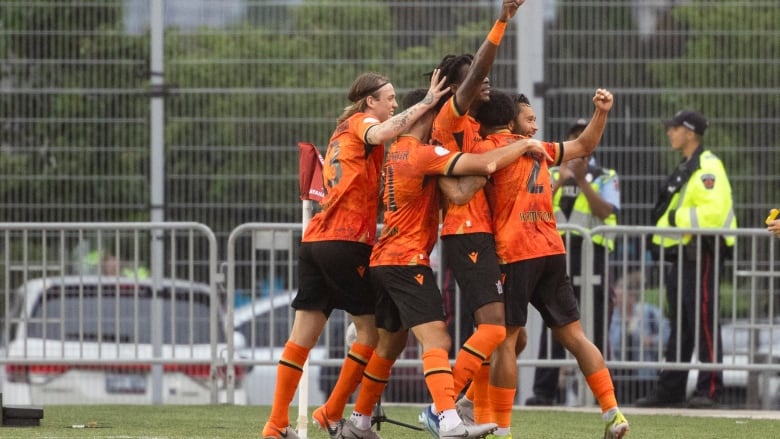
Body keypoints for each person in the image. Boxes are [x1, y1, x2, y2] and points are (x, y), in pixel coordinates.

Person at [338, 88, 549, 439]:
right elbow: (467, 183)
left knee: (389, 345)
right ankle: (446, 414)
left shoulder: (395, 152)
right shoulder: (422, 153)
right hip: (409, 259)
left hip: (386, 257)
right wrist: (517, 149)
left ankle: (355, 420)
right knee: (442, 338)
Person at [261, 70, 448, 439]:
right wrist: (426, 102)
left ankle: (275, 424)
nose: (395, 105)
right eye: (389, 98)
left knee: (301, 338)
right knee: (370, 336)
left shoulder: (343, 134)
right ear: (370, 102)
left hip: (316, 241)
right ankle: (331, 413)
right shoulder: (362, 122)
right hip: (346, 243)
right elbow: (378, 132)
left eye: (397, 100)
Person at [473, 89, 629, 439]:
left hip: (516, 253)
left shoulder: (489, 149)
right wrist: (601, 113)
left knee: (506, 342)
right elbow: (584, 146)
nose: (535, 124)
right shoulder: (536, 149)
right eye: (529, 118)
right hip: (552, 251)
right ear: (511, 121)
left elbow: (582, 148)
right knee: (575, 336)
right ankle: (613, 414)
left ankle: (502, 430)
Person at [416, 1, 526, 436]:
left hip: (480, 235)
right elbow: (472, 180)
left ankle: (472, 416)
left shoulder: (477, 130)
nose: (486, 83)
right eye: (477, 79)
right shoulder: (452, 115)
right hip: (466, 233)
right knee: (495, 329)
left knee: (495, 334)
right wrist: (501, 21)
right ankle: (442, 409)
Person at [635, 110, 737, 409]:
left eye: (675, 128)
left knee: (703, 321)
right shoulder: (687, 167)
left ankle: (710, 389)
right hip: (683, 257)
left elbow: (711, 214)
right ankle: (671, 389)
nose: (670, 133)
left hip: (701, 253)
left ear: (690, 132)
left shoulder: (707, 167)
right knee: (680, 324)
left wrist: (672, 221)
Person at [526, 118, 621, 406]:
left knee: (596, 325)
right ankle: (544, 391)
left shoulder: (606, 176)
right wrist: (562, 179)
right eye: (574, 137)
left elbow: (607, 211)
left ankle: (601, 393)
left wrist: (581, 180)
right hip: (558, 256)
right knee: (552, 322)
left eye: (584, 138)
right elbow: (534, 206)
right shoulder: (549, 173)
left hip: (594, 260)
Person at [609, 271, 670, 402]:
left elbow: (668, 335)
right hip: (618, 375)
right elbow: (612, 343)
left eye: (620, 295)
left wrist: (652, 340)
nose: (617, 300)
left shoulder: (649, 312)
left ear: (632, 296)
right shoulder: (612, 316)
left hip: (646, 375)